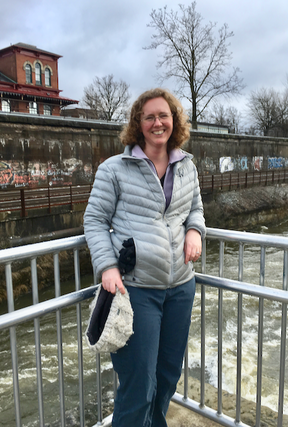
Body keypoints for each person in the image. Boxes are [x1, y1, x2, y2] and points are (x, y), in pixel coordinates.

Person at [84, 88, 206, 427]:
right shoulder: (115, 169)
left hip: (180, 288)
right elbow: (94, 220)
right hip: (136, 290)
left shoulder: (187, 166)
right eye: (149, 116)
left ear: (174, 122)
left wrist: (195, 231)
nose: (157, 122)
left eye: (164, 115)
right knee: (139, 387)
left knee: (167, 377)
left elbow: (196, 209)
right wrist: (107, 266)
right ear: (139, 124)